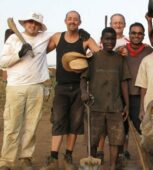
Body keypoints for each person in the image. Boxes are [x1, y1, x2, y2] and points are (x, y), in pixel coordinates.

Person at [41, 10, 99, 170]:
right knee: (58, 120)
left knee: (75, 123)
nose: (72, 21)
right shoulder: (57, 37)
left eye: (75, 19)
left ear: (80, 23)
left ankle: (68, 157)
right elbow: (42, 51)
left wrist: (89, 54)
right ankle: (53, 158)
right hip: (61, 87)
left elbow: (99, 53)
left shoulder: (85, 39)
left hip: (80, 87)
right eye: (70, 19)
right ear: (65, 21)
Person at [0, 12, 52, 169]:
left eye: (36, 23)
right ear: (24, 24)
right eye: (30, 22)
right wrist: (19, 54)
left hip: (37, 87)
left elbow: (61, 36)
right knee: (12, 125)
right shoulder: (13, 38)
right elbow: (2, 61)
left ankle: (25, 158)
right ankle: (7, 161)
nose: (33, 25)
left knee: (32, 126)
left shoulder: (44, 37)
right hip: (15, 87)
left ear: (40, 26)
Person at [80, 27, 130, 169]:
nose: (110, 41)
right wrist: (84, 92)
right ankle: (92, 165)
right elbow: (83, 78)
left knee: (115, 140)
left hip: (115, 106)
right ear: (101, 40)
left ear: (115, 40)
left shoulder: (120, 59)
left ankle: (112, 166)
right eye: (106, 39)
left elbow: (124, 82)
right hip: (95, 106)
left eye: (112, 39)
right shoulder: (93, 58)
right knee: (92, 140)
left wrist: (127, 105)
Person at [125, 22, 153, 133]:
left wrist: (150, 22)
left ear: (144, 35)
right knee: (122, 129)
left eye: (140, 33)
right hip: (123, 95)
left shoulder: (148, 51)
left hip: (140, 96)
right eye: (133, 33)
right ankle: (124, 151)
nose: (136, 36)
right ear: (129, 34)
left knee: (141, 126)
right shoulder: (121, 51)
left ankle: (148, 149)